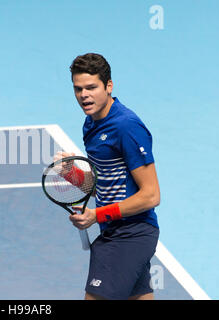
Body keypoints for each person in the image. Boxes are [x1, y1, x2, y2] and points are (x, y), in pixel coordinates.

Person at [61, 53, 161, 300]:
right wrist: (71, 173)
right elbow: (104, 186)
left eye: (91, 87)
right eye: (78, 89)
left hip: (131, 235)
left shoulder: (126, 126)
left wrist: (96, 215)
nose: (84, 95)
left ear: (108, 86)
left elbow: (151, 196)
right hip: (115, 232)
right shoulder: (91, 125)